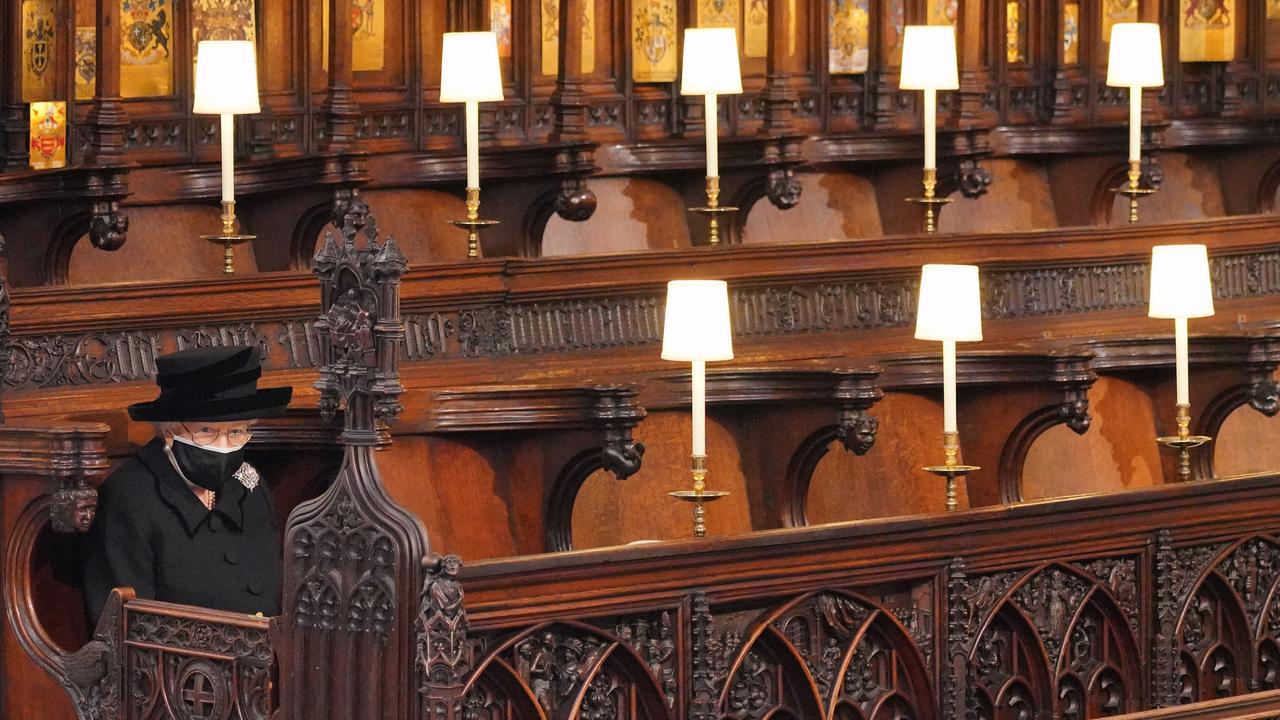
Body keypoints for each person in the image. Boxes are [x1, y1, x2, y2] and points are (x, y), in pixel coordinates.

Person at [84, 345, 292, 621]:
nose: (224, 446)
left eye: (237, 431)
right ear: (170, 431)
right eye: (207, 431)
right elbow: (124, 626)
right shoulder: (130, 498)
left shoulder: (250, 486)